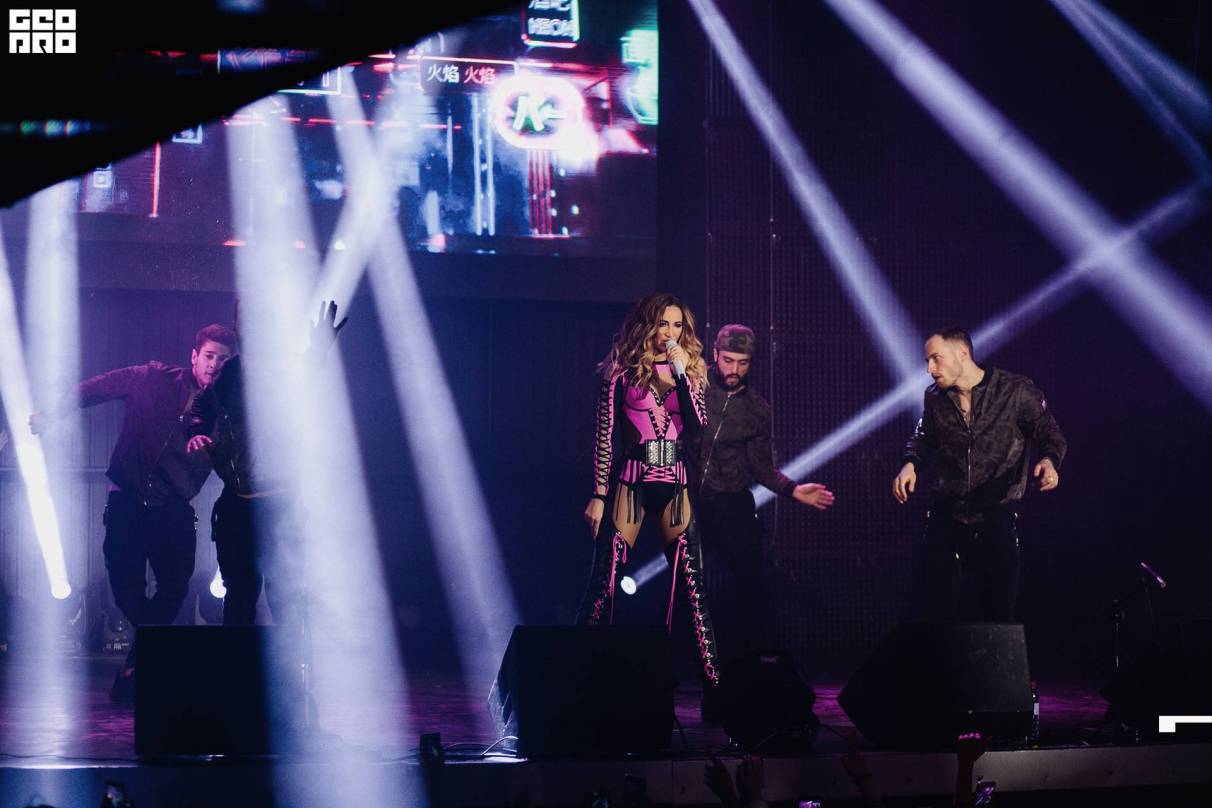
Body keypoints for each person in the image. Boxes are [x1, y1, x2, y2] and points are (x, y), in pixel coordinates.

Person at [29, 324, 236, 700]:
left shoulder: (228, 409)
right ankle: (143, 662)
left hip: (174, 510)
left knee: (175, 588)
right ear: (194, 356)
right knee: (125, 589)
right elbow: (98, 387)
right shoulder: (152, 378)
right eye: (209, 356)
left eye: (223, 359)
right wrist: (52, 412)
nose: (214, 365)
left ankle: (136, 665)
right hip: (128, 503)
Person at [578, 292, 720, 688]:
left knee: (694, 593)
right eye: (662, 324)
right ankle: (575, 678)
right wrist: (599, 494)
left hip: (675, 480)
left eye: (677, 325)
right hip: (633, 479)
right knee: (603, 584)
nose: (670, 332)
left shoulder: (691, 370)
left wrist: (681, 373)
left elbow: (697, 428)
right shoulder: (621, 370)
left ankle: (717, 693)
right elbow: (605, 437)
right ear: (648, 325)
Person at [186, 302, 345, 626]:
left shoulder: (285, 368)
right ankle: (238, 659)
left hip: (279, 508)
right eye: (245, 321)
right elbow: (201, 407)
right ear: (236, 326)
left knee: (286, 596)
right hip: (235, 507)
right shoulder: (228, 373)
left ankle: (296, 659)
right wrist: (196, 432)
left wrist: (318, 350)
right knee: (239, 597)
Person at [893, 327, 1066, 622]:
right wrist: (910, 464)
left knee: (996, 613)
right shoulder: (935, 398)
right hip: (947, 517)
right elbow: (923, 438)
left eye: (936, 358)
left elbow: (1049, 433)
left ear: (962, 353)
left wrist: (1050, 461)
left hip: (996, 516)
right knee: (935, 612)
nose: (930, 369)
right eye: (927, 361)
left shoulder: (1014, 391)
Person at [693, 323, 834, 664]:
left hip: (734, 505)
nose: (734, 369)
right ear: (715, 355)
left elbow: (761, 467)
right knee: (689, 589)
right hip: (691, 504)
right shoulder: (694, 389)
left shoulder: (757, 408)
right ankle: (693, 666)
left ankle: (746, 668)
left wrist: (793, 489)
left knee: (749, 590)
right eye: (728, 360)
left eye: (743, 363)